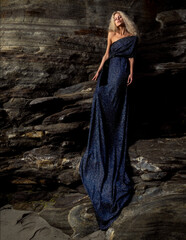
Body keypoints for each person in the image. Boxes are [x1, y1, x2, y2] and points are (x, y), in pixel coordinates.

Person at [79, 10, 139, 230]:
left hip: (123, 69)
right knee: (106, 98)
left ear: (124, 18)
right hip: (110, 68)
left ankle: (116, 133)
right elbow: (106, 54)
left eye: (119, 16)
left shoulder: (131, 36)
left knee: (117, 99)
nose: (117, 19)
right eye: (114, 17)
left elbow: (131, 55)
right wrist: (99, 69)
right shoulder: (111, 35)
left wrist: (132, 72)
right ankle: (107, 135)